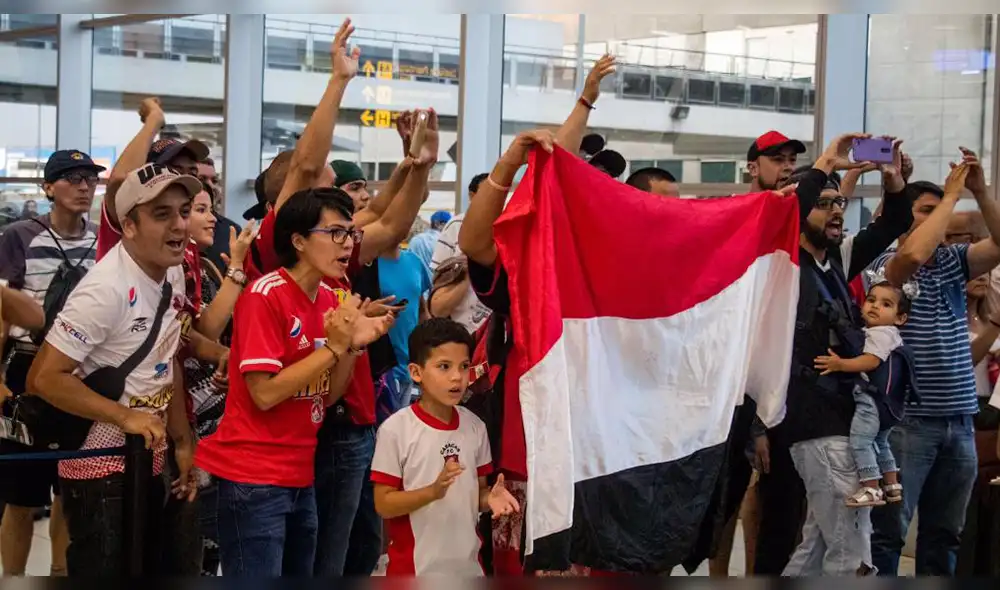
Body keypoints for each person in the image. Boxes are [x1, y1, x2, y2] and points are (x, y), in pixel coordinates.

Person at [195, 187, 393, 577]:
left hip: (302, 473)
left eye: (351, 234)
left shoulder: (334, 298)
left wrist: (352, 348)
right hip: (254, 478)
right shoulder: (264, 295)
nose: (347, 245)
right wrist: (335, 349)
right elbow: (264, 393)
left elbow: (330, 393)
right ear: (299, 241)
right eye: (335, 233)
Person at [25, 163, 203, 576]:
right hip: (98, 456)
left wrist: (181, 439)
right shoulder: (104, 291)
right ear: (129, 226)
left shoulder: (171, 271)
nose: (179, 225)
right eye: (161, 214)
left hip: (148, 448)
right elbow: (43, 378)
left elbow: (166, 355)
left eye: (183, 210)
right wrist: (125, 416)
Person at [768, 136, 913, 577]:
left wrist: (894, 182)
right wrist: (829, 159)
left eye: (840, 204)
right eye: (824, 202)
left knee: (817, 545)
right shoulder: (783, 263)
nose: (836, 210)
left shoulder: (835, 263)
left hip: (839, 419)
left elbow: (892, 225)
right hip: (816, 421)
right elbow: (792, 208)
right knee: (853, 549)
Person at [868, 148, 1000, 576]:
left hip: (959, 420)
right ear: (904, 218)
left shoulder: (952, 263)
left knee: (945, 535)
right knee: (888, 532)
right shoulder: (884, 266)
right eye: (925, 210)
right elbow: (910, 259)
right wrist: (949, 197)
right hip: (909, 423)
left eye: (937, 208)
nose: (940, 217)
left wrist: (978, 192)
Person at [0, 150, 103, 577]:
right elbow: (3, 313)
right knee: (21, 495)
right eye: (72, 178)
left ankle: (60, 573)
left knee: (71, 489)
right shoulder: (19, 236)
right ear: (48, 188)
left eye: (90, 179)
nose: (83, 186)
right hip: (27, 367)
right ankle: (14, 578)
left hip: (83, 372)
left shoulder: (102, 240)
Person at [371, 318, 519, 576]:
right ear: (416, 372)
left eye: (464, 366)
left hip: (469, 571)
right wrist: (432, 492)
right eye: (444, 366)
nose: (456, 377)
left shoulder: (475, 427)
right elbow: (383, 504)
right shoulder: (396, 430)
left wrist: (490, 499)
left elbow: (476, 496)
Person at [813, 280, 914, 507]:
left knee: (860, 441)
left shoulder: (881, 334)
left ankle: (870, 487)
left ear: (900, 318)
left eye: (886, 304)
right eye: (871, 300)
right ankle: (891, 485)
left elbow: (870, 361)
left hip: (872, 402)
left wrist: (840, 364)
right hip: (889, 404)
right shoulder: (885, 333)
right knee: (881, 441)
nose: (875, 306)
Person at [97, 97, 209, 261]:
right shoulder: (132, 210)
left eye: (192, 171)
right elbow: (122, 180)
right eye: (175, 170)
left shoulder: (185, 238)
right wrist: (154, 120)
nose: (184, 178)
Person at [429, 173, 492, 332]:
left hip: (494, 326)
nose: (494, 198)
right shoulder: (456, 225)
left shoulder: (506, 226)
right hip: (460, 326)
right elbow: (438, 278)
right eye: (488, 192)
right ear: (472, 196)